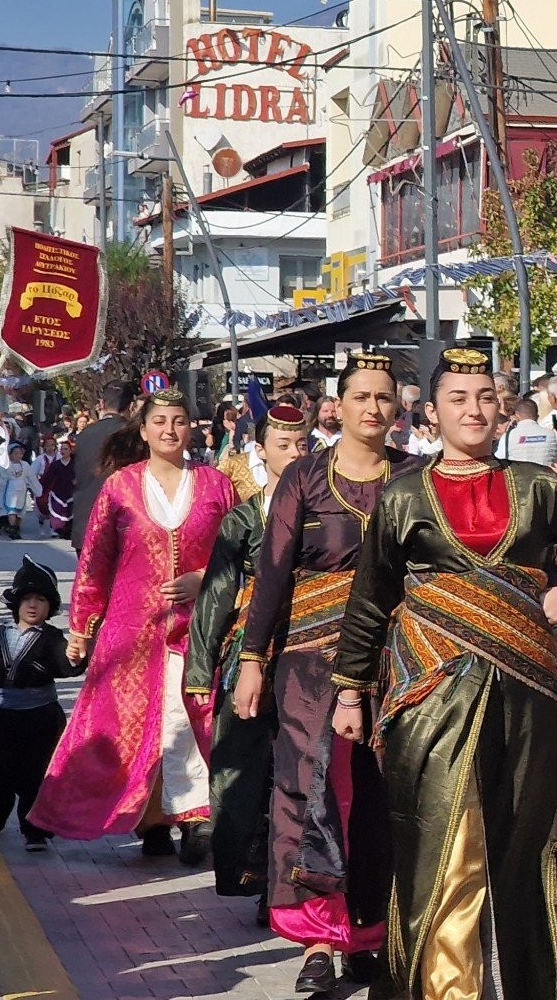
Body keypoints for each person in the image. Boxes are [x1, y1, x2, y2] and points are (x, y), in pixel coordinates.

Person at [330, 348, 557, 1000]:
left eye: (486, 396)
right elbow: (371, 596)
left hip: (525, 693)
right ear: (431, 413)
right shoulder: (404, 495)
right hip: (429, 693)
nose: (474, 409)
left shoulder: (536, 485)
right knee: (441, 846)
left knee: (526, 850)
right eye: (459, 398)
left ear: (504, 409)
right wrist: (351, 687)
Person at [231, 355, 412, 992]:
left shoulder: (415, 477)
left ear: (398, 407)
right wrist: (253, 660)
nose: (372, 408)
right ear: (338, 405)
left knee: (378, 794)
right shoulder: (306, 477)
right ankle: (315, 941)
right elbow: (273, 573)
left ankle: (370, 932)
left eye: (383, 397)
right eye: (360, 396)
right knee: (309, 793)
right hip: (307, 661)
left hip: (392, 661)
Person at [31, 390, 240, 860]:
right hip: (131, 632)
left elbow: (242, 552)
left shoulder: (216, 485)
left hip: (200, 629)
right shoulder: (120, 487)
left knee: (189, 720)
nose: (169, 430)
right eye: (160, 421)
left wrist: (204, 578)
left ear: (193, 428)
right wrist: (82, 626)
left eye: (179, 420)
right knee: (136, 725)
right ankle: (149, 821)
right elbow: (95, 562)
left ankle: (195, 816)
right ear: (143, 431)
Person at [185, 403, 309, 909]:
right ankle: (259, 876)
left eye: (303, 445)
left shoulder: (328, 508)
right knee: (248, 764)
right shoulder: (244, 516)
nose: (296, 453)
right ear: (260, 452)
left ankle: (303, 874)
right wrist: (200, 666)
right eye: (284, 445)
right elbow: (217, 591)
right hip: (253, 653)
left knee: (301, 765)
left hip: (311, 643)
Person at [0, 557, 83, 851]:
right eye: (27, 598)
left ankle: (35, 831)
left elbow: (67, 667)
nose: (32, 605)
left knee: (36, 777)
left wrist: (78, 655)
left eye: (40, 599)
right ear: (15, 602)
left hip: (39, 720)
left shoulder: (53, 639)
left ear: (50, 607)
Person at [68, 379, 133, 553]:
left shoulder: (83, 435)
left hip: (86, 521)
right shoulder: (134, 436)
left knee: (89, 580)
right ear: (131, 406)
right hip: (122, 525)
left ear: (102, 404)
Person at [499, 398, 557, 468]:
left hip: (519, 477)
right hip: (545, 477)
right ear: (537, 416)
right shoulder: (551, 435)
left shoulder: (508, 437)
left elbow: (500, 460)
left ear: (517, 417)